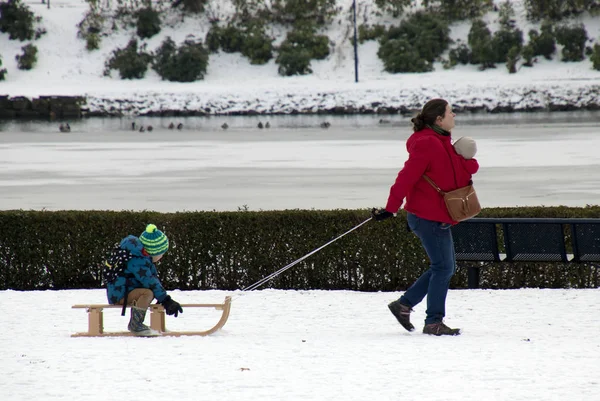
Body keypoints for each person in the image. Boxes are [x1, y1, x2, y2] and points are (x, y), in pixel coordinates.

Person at [372, 98, 479, 336]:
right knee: (443, 268)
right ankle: (433, 322)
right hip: (427, 217)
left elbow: (456, 178)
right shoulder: (427, 144)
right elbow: (405, 178)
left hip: (440, 216)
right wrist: (391, 208)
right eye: (451, 113)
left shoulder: (444, 143)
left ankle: (404, 305)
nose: (454, 116)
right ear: (438, 119)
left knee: (443, 267)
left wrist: (468, 161)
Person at [106, 223, 183, 337]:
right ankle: (135, 325)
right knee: (147, 293)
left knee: (151, 291)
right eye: (161, 254)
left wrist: (162, 297)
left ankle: (143, 324)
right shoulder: (137, 260)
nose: (161, 257)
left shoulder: (139, 256)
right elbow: (149, 281)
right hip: (120, 294)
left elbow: (152, 280)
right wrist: (166, 300)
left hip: (126, 290)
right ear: (153, 251)